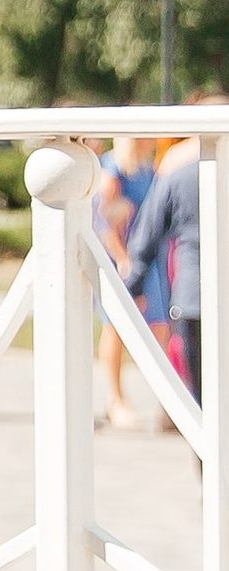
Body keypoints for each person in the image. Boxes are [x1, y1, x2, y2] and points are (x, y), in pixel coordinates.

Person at [127, 105, 227, 409]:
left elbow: (146, 236)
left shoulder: (178, 174)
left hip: (194, 297)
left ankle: (205, 456)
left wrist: (133, 286)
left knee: (204, 401)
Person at [95, 138, 161, 428]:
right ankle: (115, 398)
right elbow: (105, 222)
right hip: (123, 261)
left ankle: (166, 401)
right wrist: (124, 260)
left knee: (160, 327)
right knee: (117, 328)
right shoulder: (114, 170)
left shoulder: (149, 169)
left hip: (149, 260)